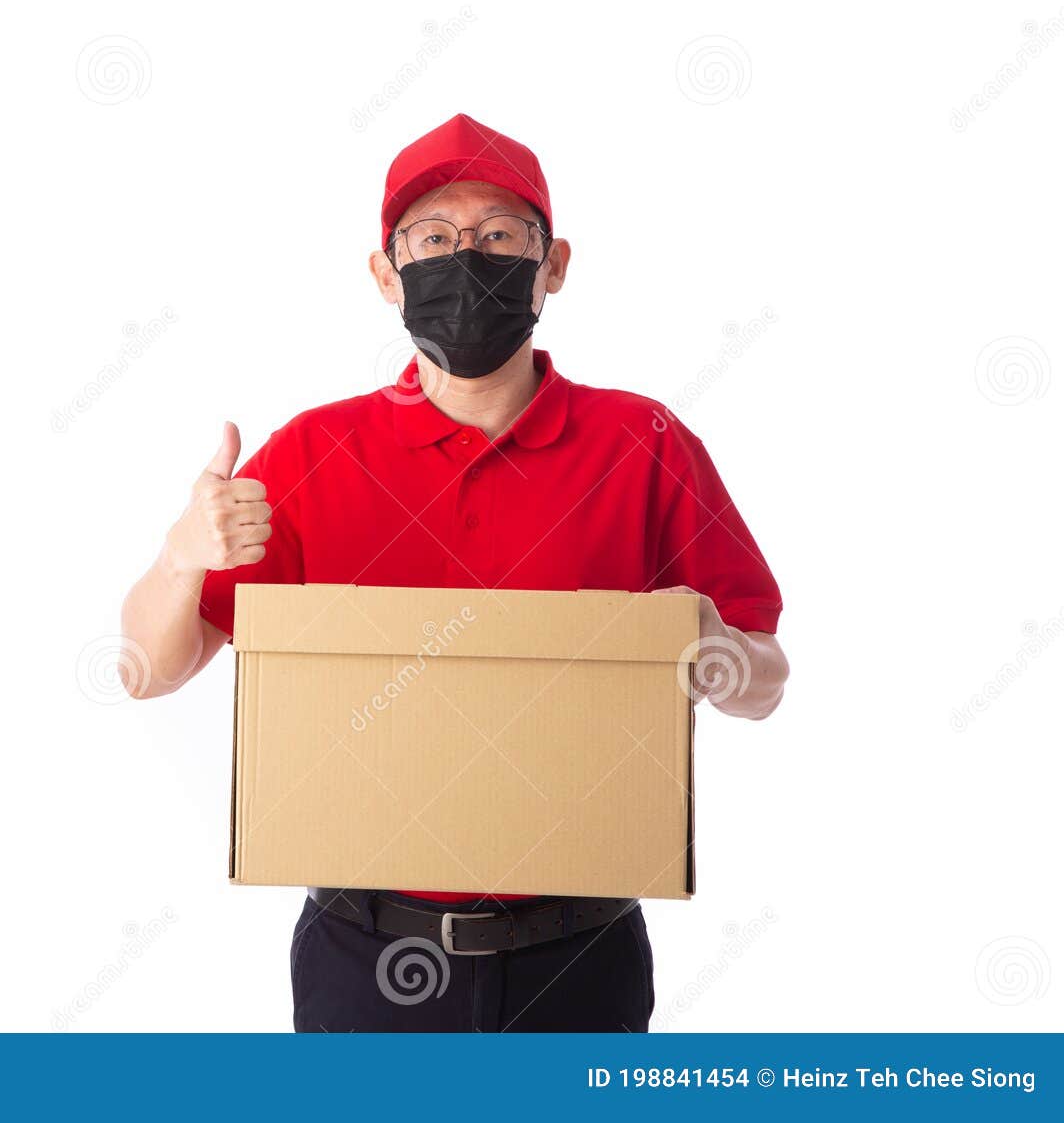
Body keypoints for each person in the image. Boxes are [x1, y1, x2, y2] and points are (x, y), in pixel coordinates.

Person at [118, 112, 789, 1031]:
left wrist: (718, 652)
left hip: (580, 956)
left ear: (552, 267)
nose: (465, 259)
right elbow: (149, 671)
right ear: (386, 273)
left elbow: (765, 680)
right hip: (365, 953)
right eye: (433, 238)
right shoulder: (315, 451)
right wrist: (178, 557)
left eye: (500, 236)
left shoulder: (647, 444)